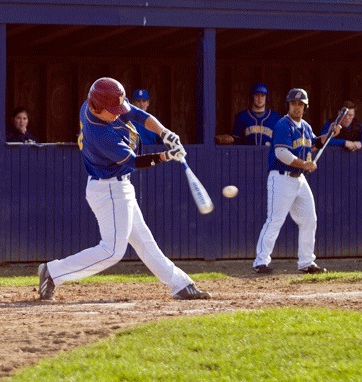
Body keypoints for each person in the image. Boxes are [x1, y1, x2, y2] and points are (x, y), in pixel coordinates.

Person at [37, 77, 211, 301]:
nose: (119, 114)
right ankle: (52, 273)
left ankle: (180, 284)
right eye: (113, 110)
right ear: (96, 107)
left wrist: (164, 132)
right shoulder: (99, 134)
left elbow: (136, 114)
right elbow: (134, 162)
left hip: (119, 186)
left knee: (143, 240)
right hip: (108, 190)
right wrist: (167, 156)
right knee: (112, 251)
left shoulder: (96, 103)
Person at [253, 88, 341, 275]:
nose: (297, 107)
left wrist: (332, 133)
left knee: (310, 219)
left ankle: (306, 262)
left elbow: (314, 144)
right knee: (275, 220)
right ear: (289, 105)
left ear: (305, 107)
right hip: (281, 176)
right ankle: (260, 262)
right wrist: (304, 164)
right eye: (294, 103)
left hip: (299, 179)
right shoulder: (283, 125)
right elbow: (281, 153)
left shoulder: (306, 127)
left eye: (300, 104)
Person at [215, 83, 282, 146]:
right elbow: (237, 141)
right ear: (251, 97)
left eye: (263, 95)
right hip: (247, 156)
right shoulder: (242, 117)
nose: (260, 98)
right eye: (256, 95)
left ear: (266, 97)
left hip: (269, 156)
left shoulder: (276, 117)